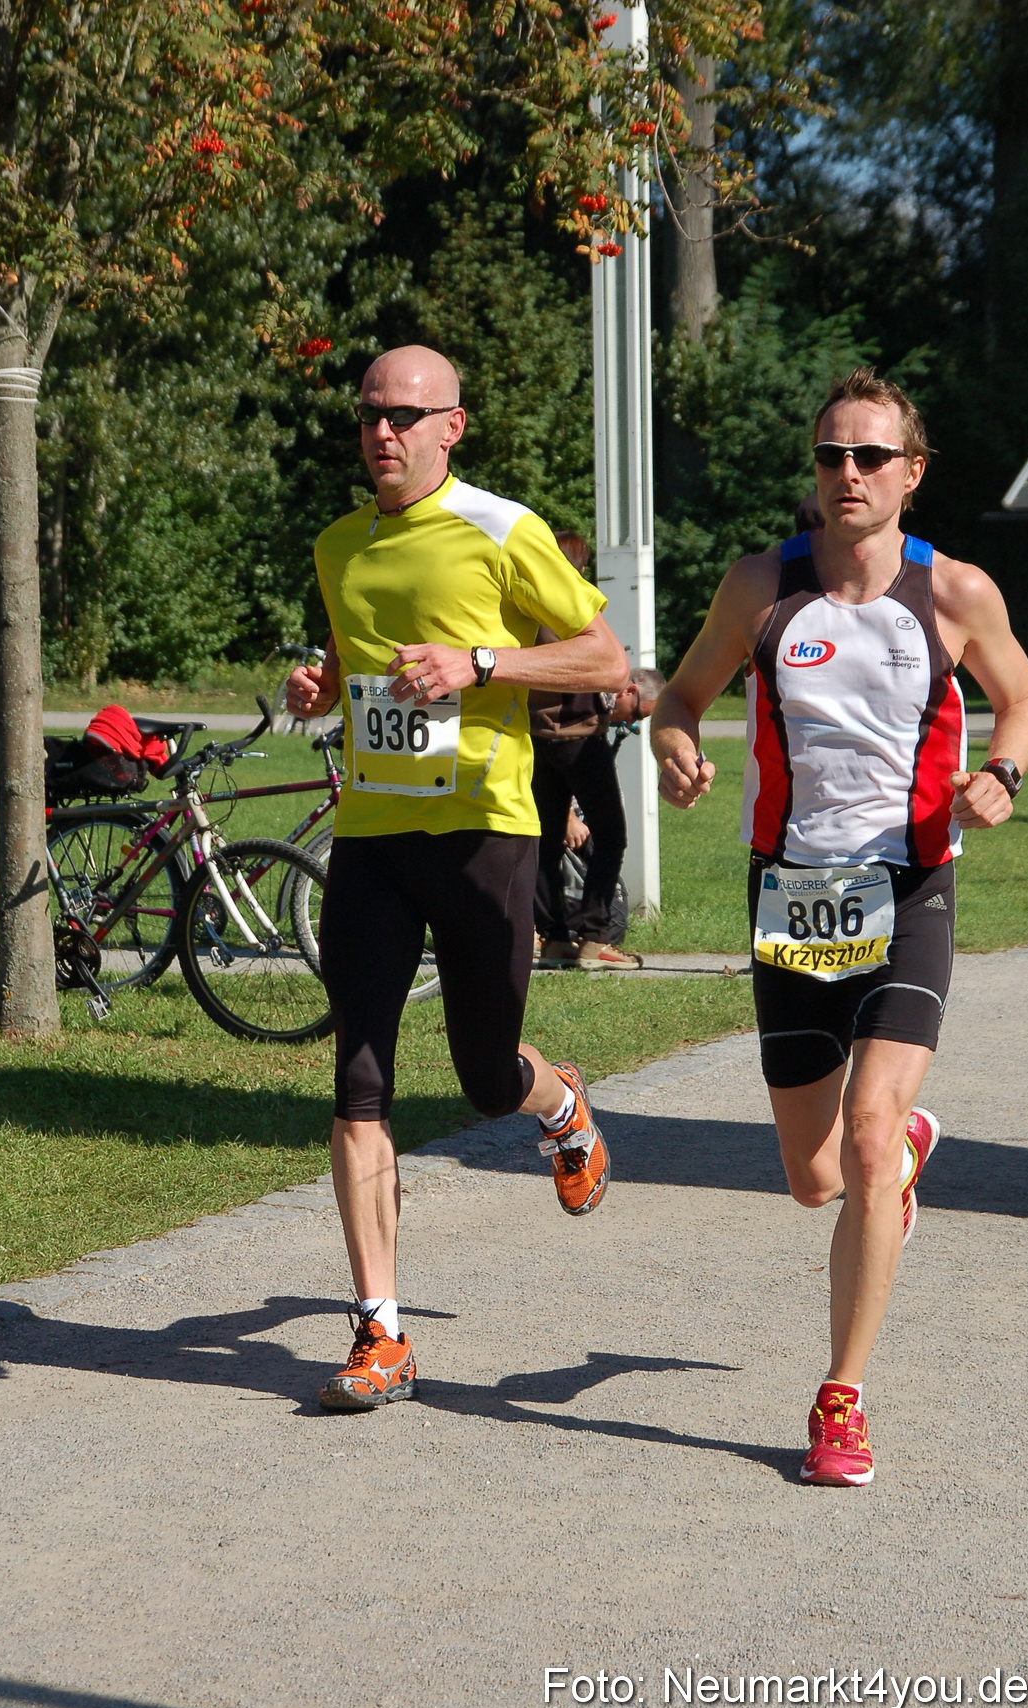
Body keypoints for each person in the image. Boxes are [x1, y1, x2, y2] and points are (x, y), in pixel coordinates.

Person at [650, 365, 1028, 1485]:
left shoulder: (955, 594)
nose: (848, 475)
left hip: (910, 889)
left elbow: (1025, 697)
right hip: (791, 899)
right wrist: (677, 745)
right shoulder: (758, 587)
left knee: (866, 1139)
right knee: (813, 1177)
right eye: (831, 455)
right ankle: (905, 1157)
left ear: (911, 474)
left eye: (871, 456)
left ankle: (840, 1398)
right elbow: (681, 698)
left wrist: (1004, 773)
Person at [286, 344, 630, 1411]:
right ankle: (379, 1328)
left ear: (451, 427)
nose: (380, 432)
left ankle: (558, 1103)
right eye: (367, 416)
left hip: (484, 831)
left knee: (485, 1075)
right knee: (359, 1082)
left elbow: (604, 660)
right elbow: (354, 664)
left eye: (403, 415)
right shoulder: (336, 545)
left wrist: (481, 665)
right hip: (376, 841)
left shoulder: (502, 528)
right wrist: (319, 685)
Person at [529, 537, 665, 967]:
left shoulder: (524, 609)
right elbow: (603, 662)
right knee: (611, 836)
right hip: (579, 734)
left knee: (544, 843)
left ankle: (552, 938)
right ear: (577, 568)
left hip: (534, 735)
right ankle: (593, 936)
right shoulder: (574, 605)